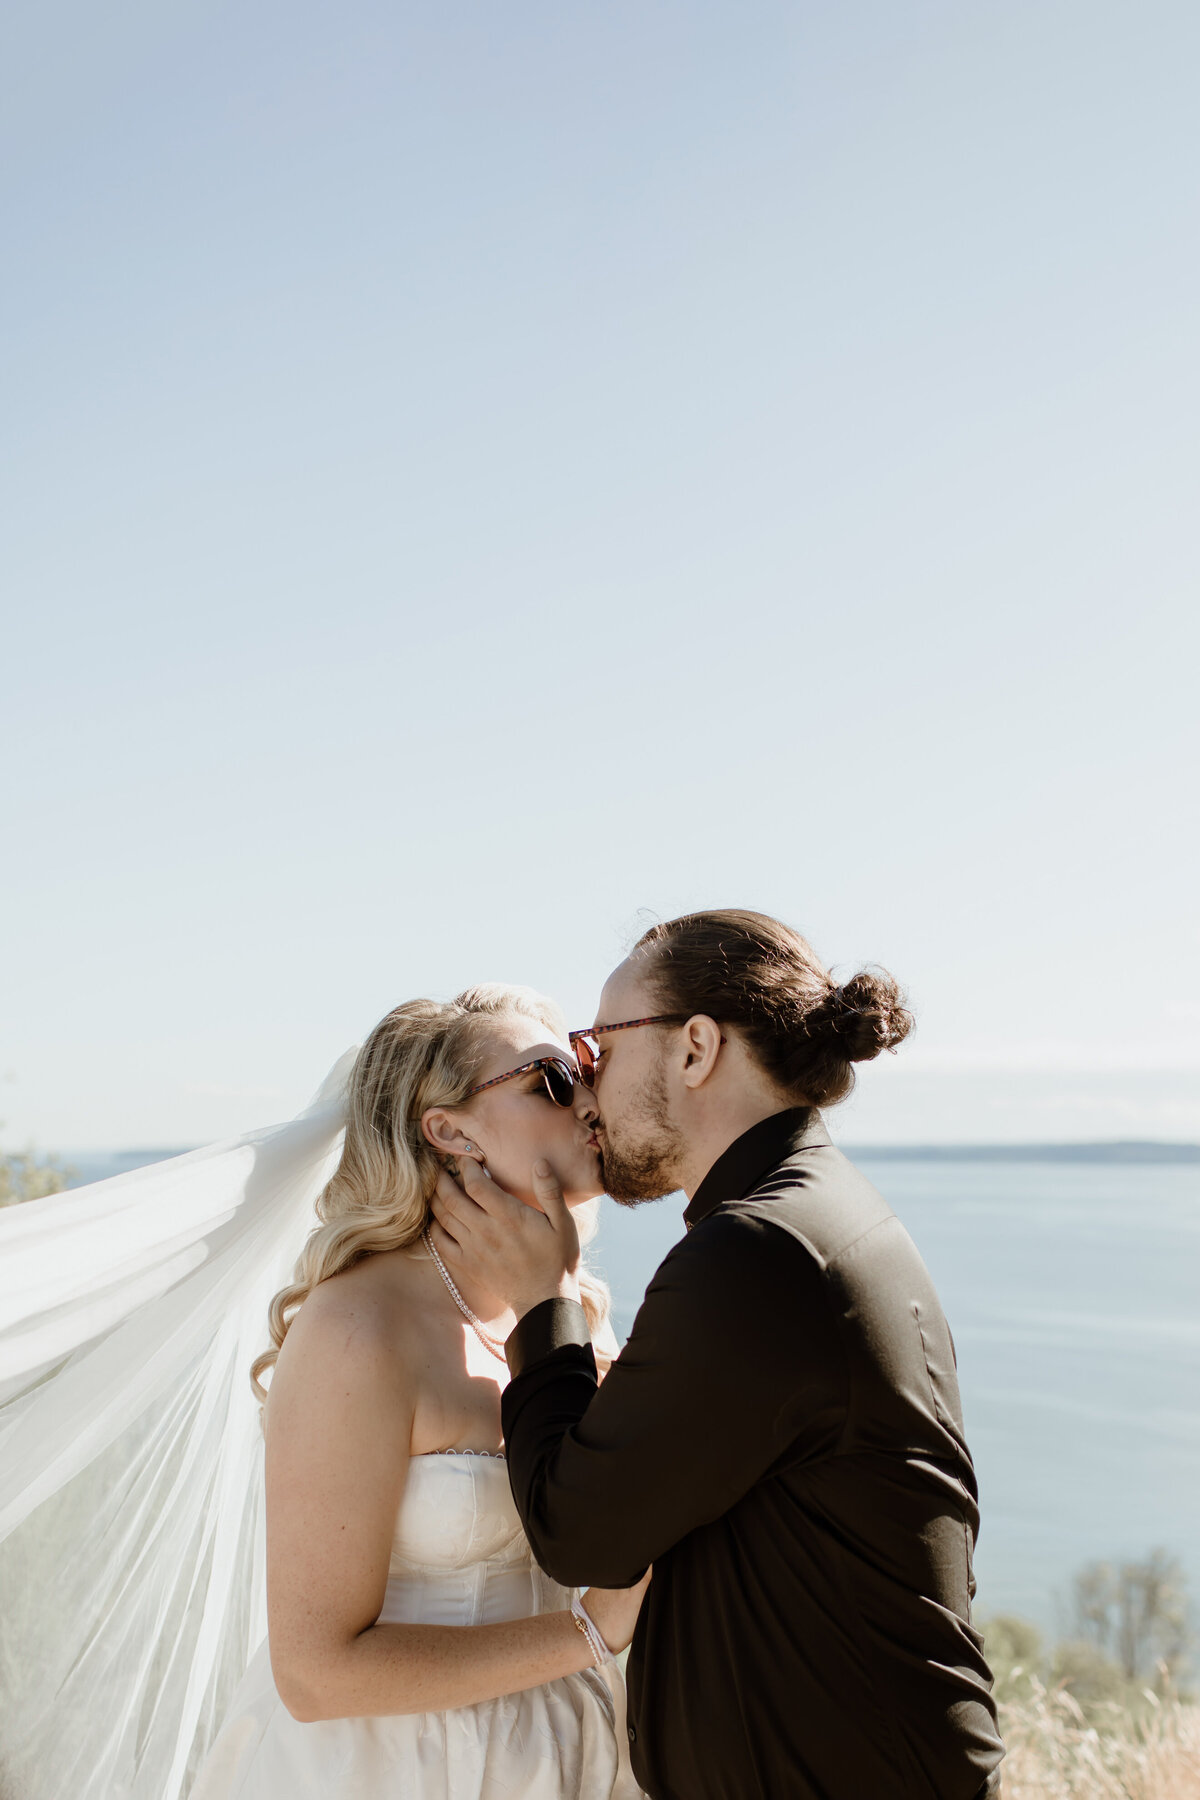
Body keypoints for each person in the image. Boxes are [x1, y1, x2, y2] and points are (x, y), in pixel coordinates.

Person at [430, 910, 1007, 1800]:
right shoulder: (813, 1214)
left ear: (695, 1048)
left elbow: (578, 1532)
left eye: (601, 1045)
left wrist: (548, 1301)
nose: (589, 1085)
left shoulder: (755, 1253)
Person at [190, 984, 649, 1800]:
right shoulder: (358, 1330)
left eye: (586, 1072)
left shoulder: (573, 1321)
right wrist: (587, 1631)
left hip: (560, 1758)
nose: (590, 1100)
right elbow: (315, 1674)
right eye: (549, 1081)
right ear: (449, 1129)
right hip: (383, 1770)